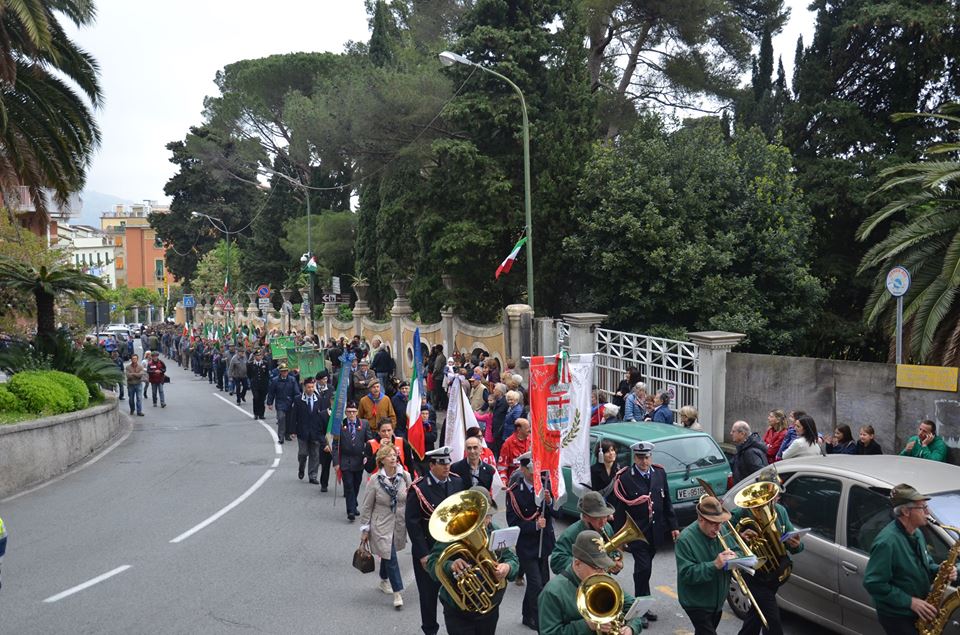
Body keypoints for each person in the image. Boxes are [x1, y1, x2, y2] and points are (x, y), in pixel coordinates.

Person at [863, 483, 958, 635]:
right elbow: (873, 583)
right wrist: (910, 602)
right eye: (923, 507)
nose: (928, 512)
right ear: (906, 511)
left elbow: (924, 564)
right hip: (898, 616)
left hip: (916, 612)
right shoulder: (887, 542)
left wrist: (942, 571)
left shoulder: (916, 533)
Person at [427, 486, 519, 635]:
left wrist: (508, 567)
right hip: (458, 611)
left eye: (488, 515)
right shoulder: (453, 533)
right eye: (481, 516)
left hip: (491, 606)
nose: (485, 521)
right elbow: (432, 564)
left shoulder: (495, 531)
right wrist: (450, 566)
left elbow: (512, 559)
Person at [611, 440, 678, 626]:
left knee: (645, 570)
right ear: (634, 457)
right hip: (636, 532)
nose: (644, 461)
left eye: (647, 457)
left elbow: (666, 502)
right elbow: (619, 510)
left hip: (655, 532)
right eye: (640, 457)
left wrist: (673, 526)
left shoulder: (659, 473)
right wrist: (618, 539)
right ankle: (639, 610)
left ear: (651, 457)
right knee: (642, 569)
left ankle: (643, 605)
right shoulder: (624, 477)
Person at [731, 467, 805, 635]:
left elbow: (796, 545)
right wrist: (741, 537)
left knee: (756, 616)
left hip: (775, 572)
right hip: (754, 574)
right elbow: (726, 539)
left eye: (777, 495)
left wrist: (795, 544)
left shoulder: (780, 511)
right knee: (772, 621)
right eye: (774, 495)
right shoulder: (741, 513)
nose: (777, 499)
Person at [405, 446, 466, 635]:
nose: (447, 466)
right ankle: (430, 630)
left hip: (454, 549)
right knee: (429, 595)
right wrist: (423, 554)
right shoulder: (419, 489)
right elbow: (413, 524)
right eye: (442, 463)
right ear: (432, 465)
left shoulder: (457, 482)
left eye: (448, 462)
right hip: (430, 550)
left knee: (456, 592)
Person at [539, 530, 646, 635]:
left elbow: (635, 607)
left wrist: (631, 628)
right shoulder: (552, 592)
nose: (602, 573)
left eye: (604, 567)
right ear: (577, 564)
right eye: (596, 567)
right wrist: (587, 626)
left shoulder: (603, 579)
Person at [506, 452, 556, 631]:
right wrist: (534, 526)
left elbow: (558, 513)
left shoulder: (546, 484)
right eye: (531, 471)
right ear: (522, 468)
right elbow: (513, 522)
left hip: (545, 543)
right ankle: (537, 618)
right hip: (527, 546)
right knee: (536, 584)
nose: (536, 475)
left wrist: (550, 503)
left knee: (543, 581)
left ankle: (527, 614)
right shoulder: (514, 492)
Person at [360, 443, 412, 610]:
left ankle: (383, 579)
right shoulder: (375, 480)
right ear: (382, 460)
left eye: (395, 455)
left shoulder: (404, 477)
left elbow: (411, 499)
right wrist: (365, 529)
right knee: (390, 554)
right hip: (380, 523)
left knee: (389, 554)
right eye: (390, 455)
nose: (394, 458)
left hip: (398, 522)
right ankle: (397, 592)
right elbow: (367, 506)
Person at [675, 496, 736, 635]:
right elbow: (687, 574)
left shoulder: (721, 530)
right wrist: (715, 564)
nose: (718, 528)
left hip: (717, 601)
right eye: (714, 523)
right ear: (701, 519)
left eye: (720, 523)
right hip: (696, 603)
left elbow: (736, 548)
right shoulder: (685, 539)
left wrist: (736, 557)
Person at [550, 491, 622, 576]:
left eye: (605, 516)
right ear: (585, 517)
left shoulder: (607, 528)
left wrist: (615, 562)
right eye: (597, 517)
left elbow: (613, 552)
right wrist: (585, 565)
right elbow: (556, 561)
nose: (603, 521)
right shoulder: (571, 533)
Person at [289, 376, 328, 486]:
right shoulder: (298, 399)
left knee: (315, 455)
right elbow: (294, 416)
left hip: (315, 432)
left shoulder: (319, 400)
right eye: (308, 387)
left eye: (312, 387)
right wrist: (292, 430)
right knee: (303, 453)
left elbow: (322, 416)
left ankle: (313, 476)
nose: (310, 389)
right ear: (304, 388)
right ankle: (301, 467)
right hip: (302, 432)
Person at [334, 401, 369, 522]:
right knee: (348, 485)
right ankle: (351, 510)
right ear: (345, 413)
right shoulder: (339, 425)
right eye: (349, 412)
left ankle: (354, 503)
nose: (352, 414)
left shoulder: (364, 424)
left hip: (359, 460)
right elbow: (335, 445)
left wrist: (368, 455)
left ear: (357, 412)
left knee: (356, 484)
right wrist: (336, 463)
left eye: (354, 412)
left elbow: (369, 442)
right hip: (345, 460)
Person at [266, 362, 301, 444]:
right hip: (280, 403)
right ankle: (281, 436)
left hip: (290, 403)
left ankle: (287, 434)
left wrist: (296, 402)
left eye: (286, 371)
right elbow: (271, 392)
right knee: (281, 418)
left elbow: (296, 392)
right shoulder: (275, 381)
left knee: (289, 419)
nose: (284, 373)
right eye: (283, 371)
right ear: (280, 372)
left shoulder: (292, 380)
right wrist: (269, 403)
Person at [497, 417, 531, 484]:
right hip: (515, 481)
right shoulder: (507, 444)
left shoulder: (531, 440)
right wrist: (503, 481)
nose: (529, 430)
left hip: (530, 479)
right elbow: (502, 466)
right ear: (519, 429)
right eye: (527, 428)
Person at [247, 349, 271, 420]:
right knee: (256, 398)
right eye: (257, 355)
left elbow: (267, 374)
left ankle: (261, 414)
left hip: (263, 385)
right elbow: (249, 375)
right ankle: (256, 413)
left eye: (260, 355)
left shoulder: (265, 363)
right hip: (255, 385)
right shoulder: (250, 364)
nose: (259, 357)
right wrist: (253, 381)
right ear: (254, 356)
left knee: (262, 399)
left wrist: (266, 383)